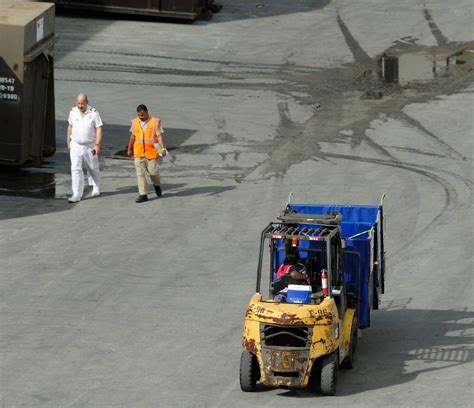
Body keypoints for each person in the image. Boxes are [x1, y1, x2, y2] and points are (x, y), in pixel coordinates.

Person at [67, 93, 103, 203]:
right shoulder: (73, 112)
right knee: (75, 168)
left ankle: (96, 185)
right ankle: (77, 194)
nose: (80, 106)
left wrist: (97, 144)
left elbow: (99, 129)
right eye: (78, 103)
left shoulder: (94, 113)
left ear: (87, 102)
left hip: (90, 145)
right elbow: (70, 126)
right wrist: (68, 141)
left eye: (82, 103)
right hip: (76, 144)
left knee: (92, 167)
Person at [127, 105, 165, 203]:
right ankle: (143, 194)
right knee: (140, 174)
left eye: (142, 115)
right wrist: (129, 148)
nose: (141, 117)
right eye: (139, 115)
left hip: (152, 152)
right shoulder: (135, 122)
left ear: (147, 112)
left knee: (153, 172)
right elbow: (133, 136)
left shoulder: (155, 122)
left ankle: (157, 185)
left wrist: (162, 148)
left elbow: (159, 136)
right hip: (139, 152)